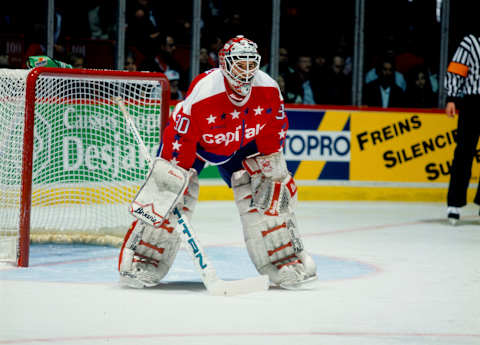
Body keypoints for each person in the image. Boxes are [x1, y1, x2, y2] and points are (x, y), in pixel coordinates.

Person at [118, 35, 317, 289]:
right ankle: (144, 258)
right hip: (198, 145)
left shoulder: (268, 90)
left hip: (242, 145)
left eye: (250, 64)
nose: (245, 72)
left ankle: (282, 259)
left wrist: (273, 175)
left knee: (267, 189)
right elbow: (181, 138)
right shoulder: (205, 94)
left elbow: (272, 141)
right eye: (239, 65)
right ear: (225, 64)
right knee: (169, 190)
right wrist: (173, 179)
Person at [444, 34, 480, 225]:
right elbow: (457, 69)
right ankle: (454, 203)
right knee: (464, 151)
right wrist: (452, 97)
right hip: (473, 101)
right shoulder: (471, 42)